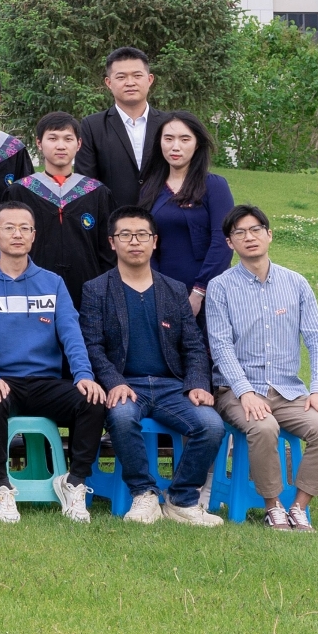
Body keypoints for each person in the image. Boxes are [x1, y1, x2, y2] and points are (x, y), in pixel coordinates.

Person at [0, 199, 106, 523]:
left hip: (45, 382)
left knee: (92, 400)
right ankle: (0, 485)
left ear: (34, 235)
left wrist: (84, 375)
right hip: (1, 380)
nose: (18, 234)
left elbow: (71, 333)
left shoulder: (52, 283)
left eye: (25, 228)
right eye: (9, 228)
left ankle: (74, 482)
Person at [78, 208, 226, 526]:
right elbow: (93, 346)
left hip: (172, 386)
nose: (135, 241)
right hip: (126, 385)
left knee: (211, 426)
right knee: (121, 418)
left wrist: (198, 383)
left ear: (154, 241)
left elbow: (193, 345)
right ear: (112, 242)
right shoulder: (96, 289)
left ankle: (181, 499)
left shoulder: (174, 289)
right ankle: (143, 494)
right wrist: (114, 381)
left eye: (142, 235)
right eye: (125, 235)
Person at [207, 204, 318, 531]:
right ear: (230, 243)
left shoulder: (296, 283)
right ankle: (272, 506)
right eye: (239, 232)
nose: (249, 237)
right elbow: (221, 347)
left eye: (255, 230)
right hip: (236, 391)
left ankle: (299, 507)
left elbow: (317, 342)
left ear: (269, 235)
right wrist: (245, 392)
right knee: (263, 427)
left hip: (288, 390)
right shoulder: (220, 287)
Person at [142, 111, 234, 321]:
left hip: (208, 292)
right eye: (168, 139)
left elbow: (223, 241)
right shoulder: (150, 189)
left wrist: (199, 292)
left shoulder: (214, 186)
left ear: (197, 144)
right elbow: (146, 242)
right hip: (161, 291)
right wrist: (157, 289)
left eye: (185, 139)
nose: (175, 147)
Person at [14, 113, 113, 291]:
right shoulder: (19, 192)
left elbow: (107, 251)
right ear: (39, 143)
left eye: (68, 139)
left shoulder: (97, 193)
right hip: (31, 289)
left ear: (79, 144)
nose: (61, 146)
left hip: (88, 288)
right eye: (52, 138)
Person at [77, 46, 172, 211]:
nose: (130, 83)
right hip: (112, 219)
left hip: (163, 217)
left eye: (137, 76)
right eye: (121, 77)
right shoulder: (92, 126)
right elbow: (86, 183)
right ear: (109, 83)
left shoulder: (169, 124)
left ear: (150, 79)